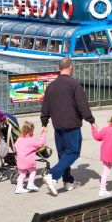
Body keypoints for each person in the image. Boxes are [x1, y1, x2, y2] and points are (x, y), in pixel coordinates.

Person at [40, 57, 95, 195]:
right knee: (73, 153)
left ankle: (68, 180)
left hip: (57, 125)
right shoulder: (74, 83)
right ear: (71, 67)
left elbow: (45, 105)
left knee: (63, 154)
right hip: (71, 124)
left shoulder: (51, 86)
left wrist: (44, 122)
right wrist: (91, 120)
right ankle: (52, 175)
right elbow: (82, 104)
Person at [13, 121, 48, 194]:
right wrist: (44, 135)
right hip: (28, 160)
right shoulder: (31, 140)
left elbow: (15, 147)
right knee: (33, 171)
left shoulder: (19, 139)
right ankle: (30, 184)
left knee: (22, 174)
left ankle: (19, 187)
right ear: (31, 131)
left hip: (20, 160)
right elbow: (40, 144)